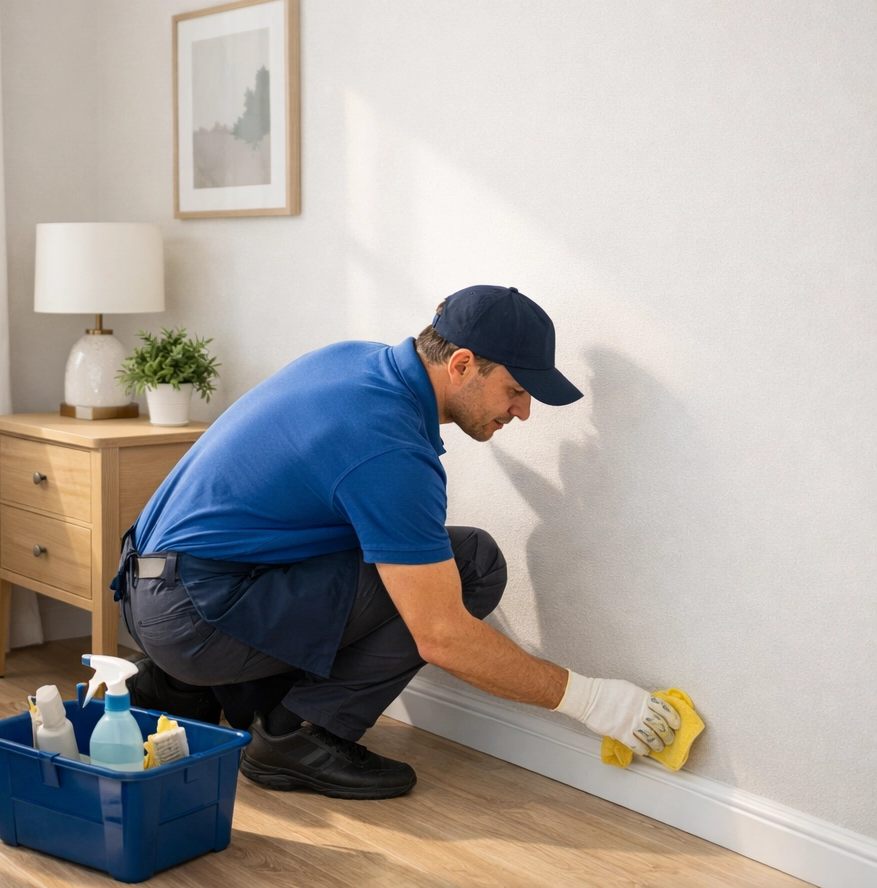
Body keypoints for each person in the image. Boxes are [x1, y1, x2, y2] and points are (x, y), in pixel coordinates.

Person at [116, 286, 681, 799]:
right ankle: (296, 737)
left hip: (149, 588)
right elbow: (442, 637)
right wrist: (596, 702)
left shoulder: (354, 360)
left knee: (388, 551)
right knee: (472, 565)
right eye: (515, 390)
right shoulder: (389, 449)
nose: (523, 411)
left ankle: (186, 689)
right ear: (462, 364)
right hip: (193, 616)